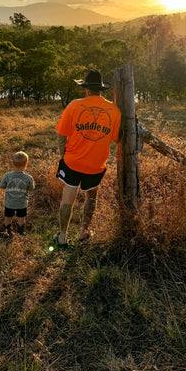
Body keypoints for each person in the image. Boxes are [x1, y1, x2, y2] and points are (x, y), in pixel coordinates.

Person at [54, 69, 121, 246]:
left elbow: (62, 135)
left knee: (67, 199)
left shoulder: (74, 105)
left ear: (86, 89)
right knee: (91, 197)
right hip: (96, 165)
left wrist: (63, 157)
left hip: (72, 162)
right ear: (101, 89)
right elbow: (114, 138)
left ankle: (62, 237)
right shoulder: (114, 110)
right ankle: (84, 231)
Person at [0, 151, 35, 236]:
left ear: (13, 164)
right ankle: (21, 233)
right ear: (26, 164)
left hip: (9, 203)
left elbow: (2, 186)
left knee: (7, 218)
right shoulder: (29, 178)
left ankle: (7, 232)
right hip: (21, 204)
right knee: (21, 219)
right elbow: (31, 188)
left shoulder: (7, 175)